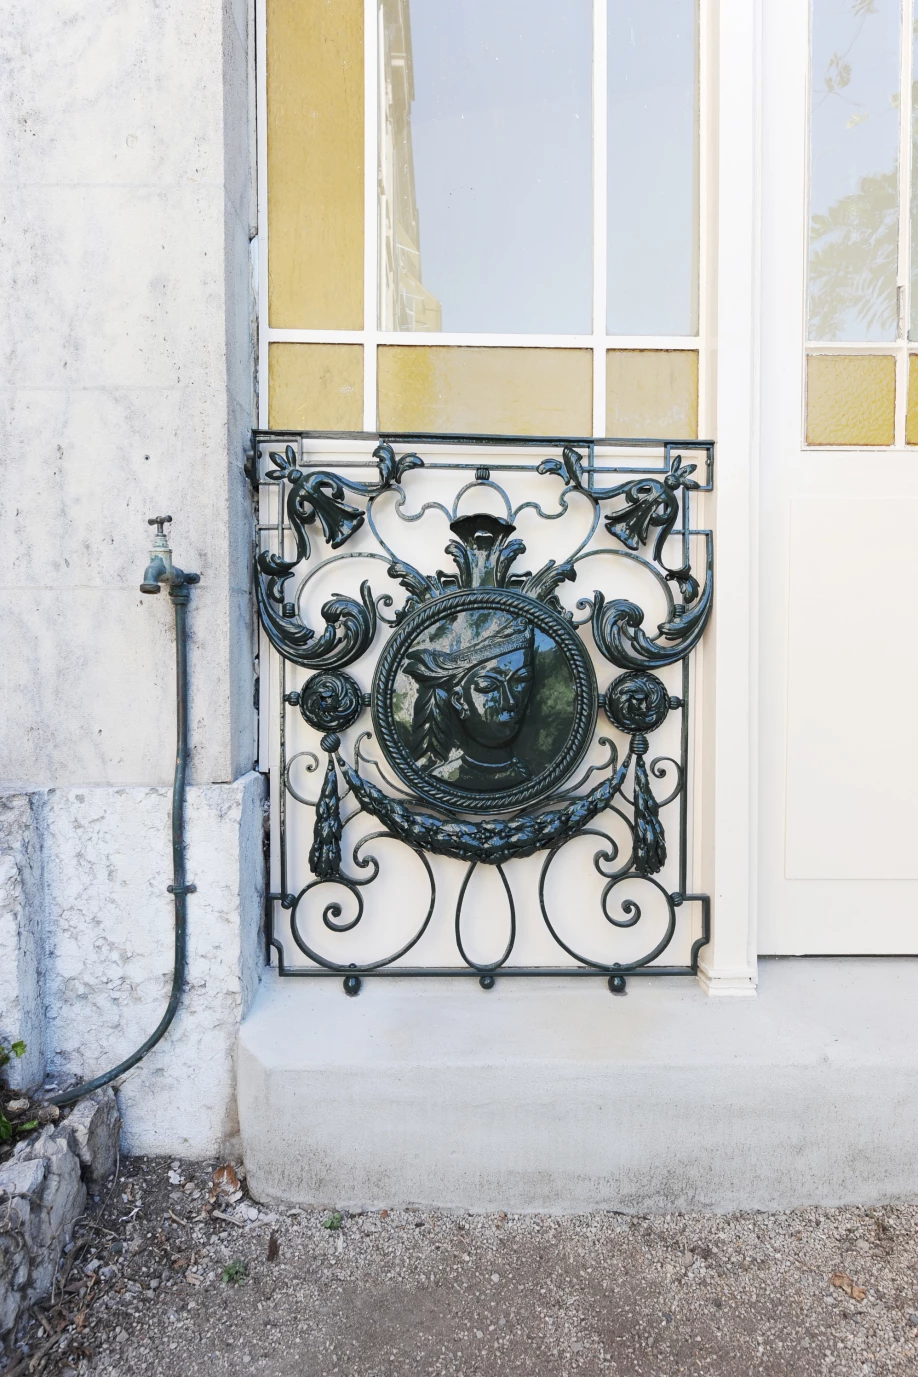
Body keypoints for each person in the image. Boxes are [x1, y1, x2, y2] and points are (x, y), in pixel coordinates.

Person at [402, 614, 535, 791]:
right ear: (458, 700)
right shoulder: (442, 778)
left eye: (522, 679)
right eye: (488, 687)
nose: (510, 702)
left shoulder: (528, 774)